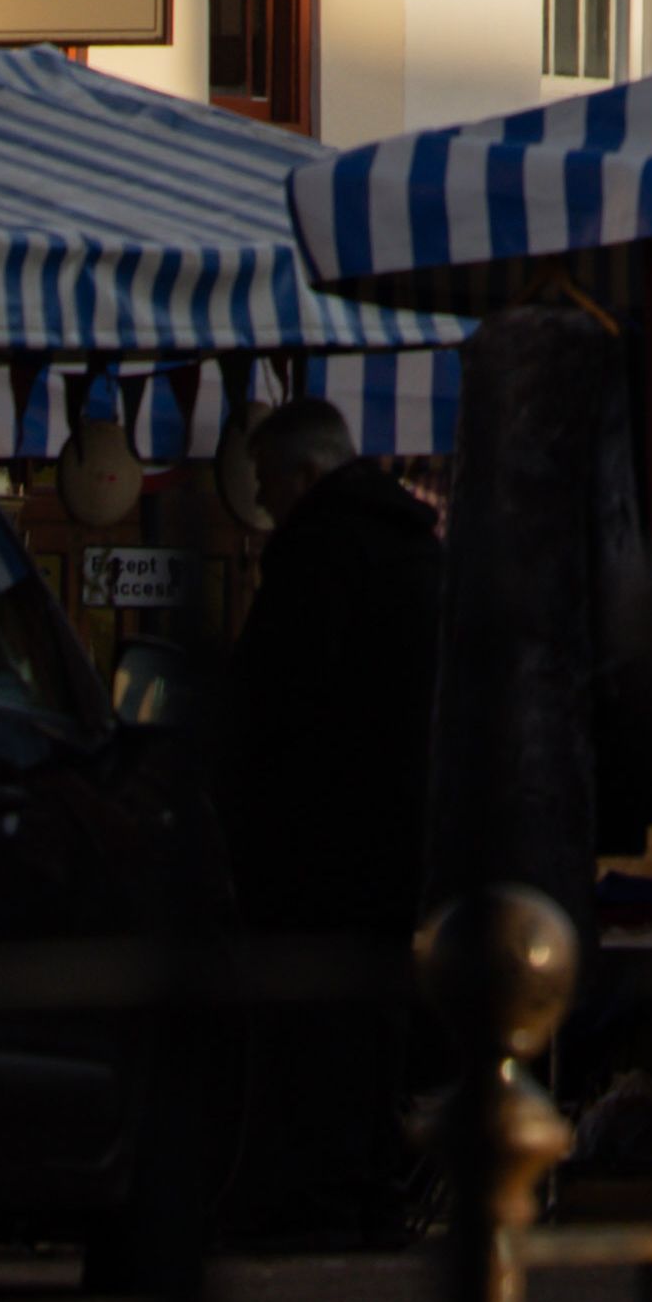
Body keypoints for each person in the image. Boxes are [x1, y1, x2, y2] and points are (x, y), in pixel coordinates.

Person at [216, 401, 446, 1240]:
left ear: (306, 476)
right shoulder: (416, 551)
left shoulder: (317, 552)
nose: (265, 503)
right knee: (373, 1027)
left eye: (269, 483)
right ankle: (365, 1191)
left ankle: (316, 1196)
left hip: (311, 850)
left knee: (308, 1032)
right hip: (398, 840)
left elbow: (272, 705)